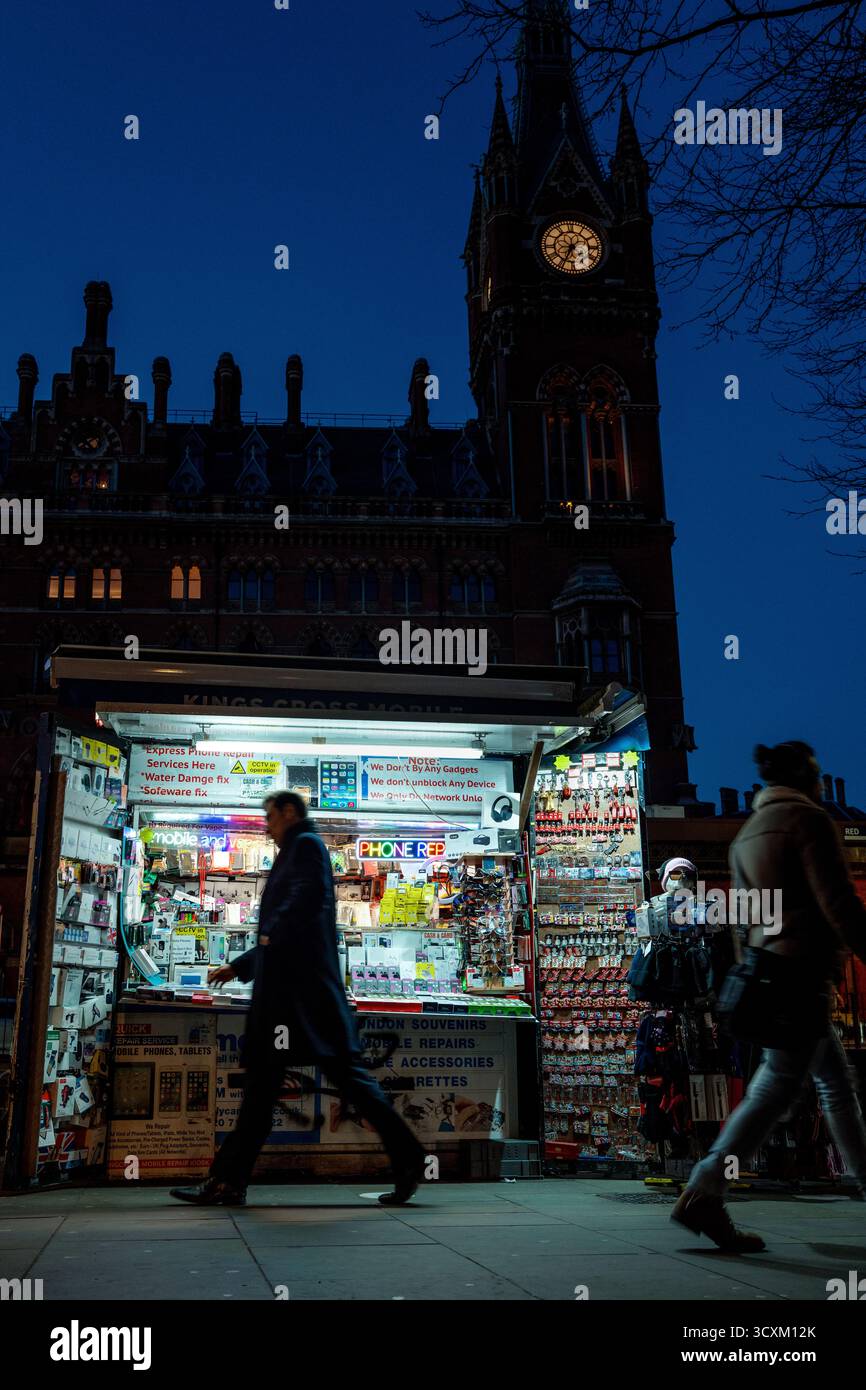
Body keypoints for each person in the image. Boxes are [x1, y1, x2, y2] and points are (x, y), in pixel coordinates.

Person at [171, 791, 426, 1207]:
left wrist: (268, 935)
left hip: (300, 1001)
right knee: (271, 1090)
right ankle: (227, 1181)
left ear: (289, 812)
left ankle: (409, 1159)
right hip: (297, 999)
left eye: (270, 817)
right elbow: (291, 918)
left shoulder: (305, 846)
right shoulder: (296, 848)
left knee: (341, 1084)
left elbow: (301, 905)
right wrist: (243, 964)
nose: (266, 825)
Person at [672, 741, 866, 1252]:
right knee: (776, 1088)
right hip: (802, 973)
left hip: (772, 970)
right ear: (807, 777)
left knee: (833, 1085)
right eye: (819, 775)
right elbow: (838, 903)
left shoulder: (748, 834)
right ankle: (705, 1189)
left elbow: (753, 917)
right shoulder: (808, 822)